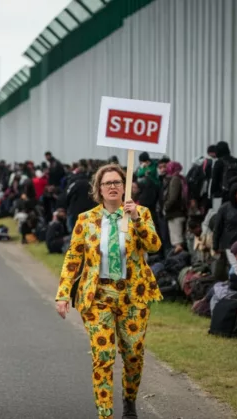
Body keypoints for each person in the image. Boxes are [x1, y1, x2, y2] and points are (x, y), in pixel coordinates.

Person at [54, 163, 162, 419]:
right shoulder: (86, 220)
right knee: (103, 356)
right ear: (99, 190)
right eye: (107, 183)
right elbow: (73, 258)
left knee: (133, 355)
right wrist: (63, 292)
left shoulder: (141, 213)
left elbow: (154, 245)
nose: (112, 187)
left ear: (125, 188)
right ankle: (105, 413)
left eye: (117, 183)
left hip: (134, 295)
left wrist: (135, 219)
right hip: (98, 296)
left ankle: (130, 400)